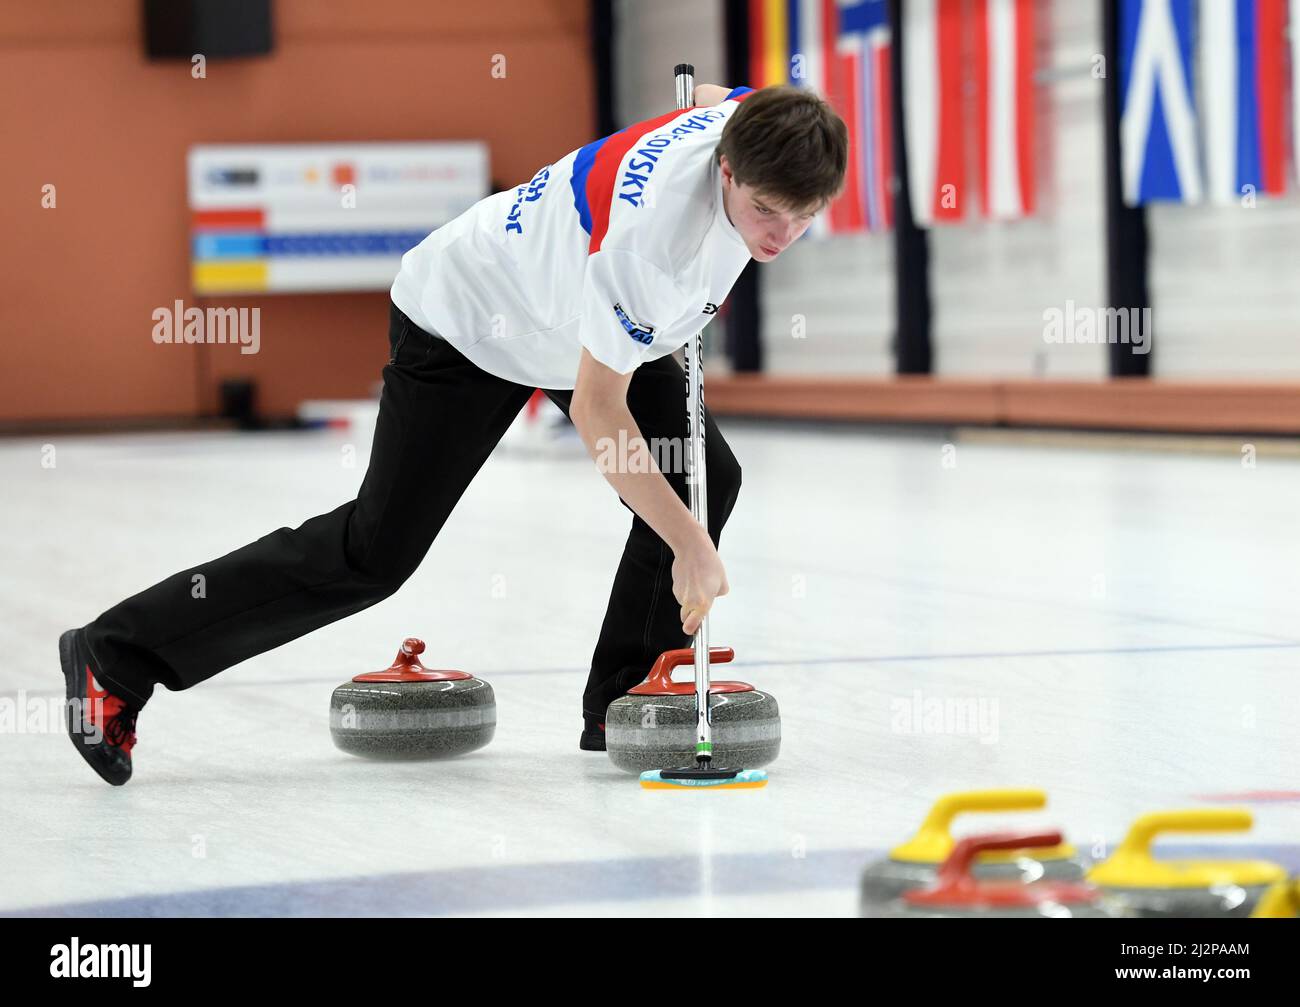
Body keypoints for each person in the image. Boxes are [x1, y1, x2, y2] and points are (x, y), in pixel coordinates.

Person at [60, 83, 848, 785]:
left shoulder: (757, 121)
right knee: (376, 552)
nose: (780, 237)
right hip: (466, 319)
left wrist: (685, 528)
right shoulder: (651, 243)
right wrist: (688, 544)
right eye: (764, 214)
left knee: (705, 472)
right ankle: (117, 655)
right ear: (727, 171)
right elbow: (597, 413)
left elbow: (715, 93)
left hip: (569, 311)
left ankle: (622, 703)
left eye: (803, 217)